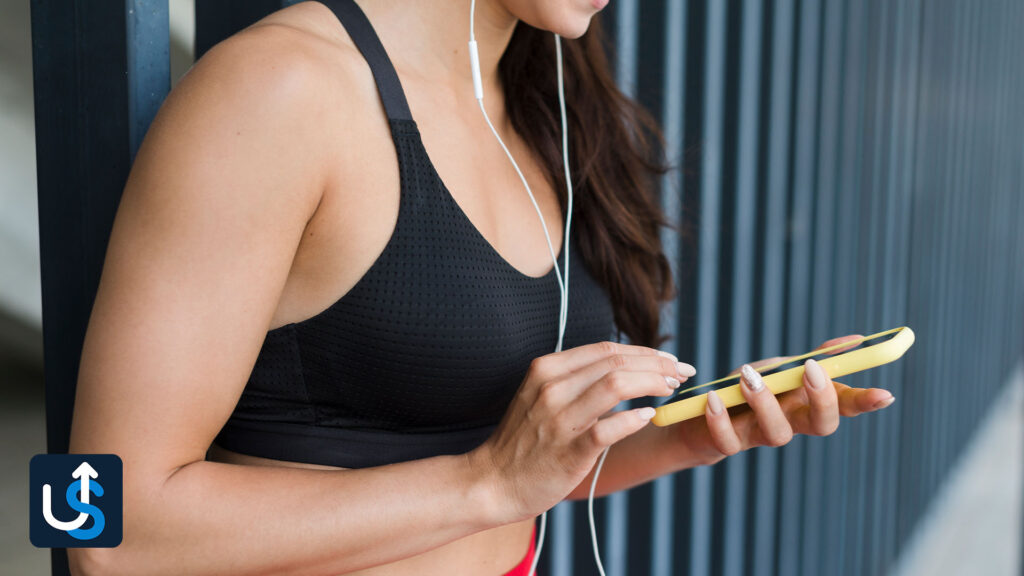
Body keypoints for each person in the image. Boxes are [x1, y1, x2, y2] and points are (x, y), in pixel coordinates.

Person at [66, 1, 897, 574]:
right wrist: (486, 484)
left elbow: (517, 467)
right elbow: (92, 526)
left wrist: (709, 428)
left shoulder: (543, 100)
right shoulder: (276, 93)